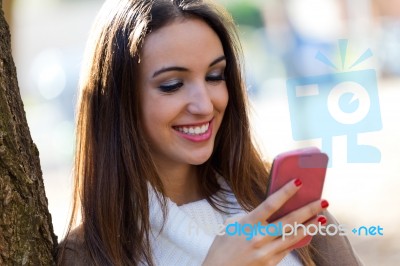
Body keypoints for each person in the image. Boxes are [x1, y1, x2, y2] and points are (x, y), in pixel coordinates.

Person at [57, 0, 363, 265]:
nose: (205, 106)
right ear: (118, 101)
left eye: (215, 76)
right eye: (172, 84)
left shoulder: (280, 204)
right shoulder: (87, 254)